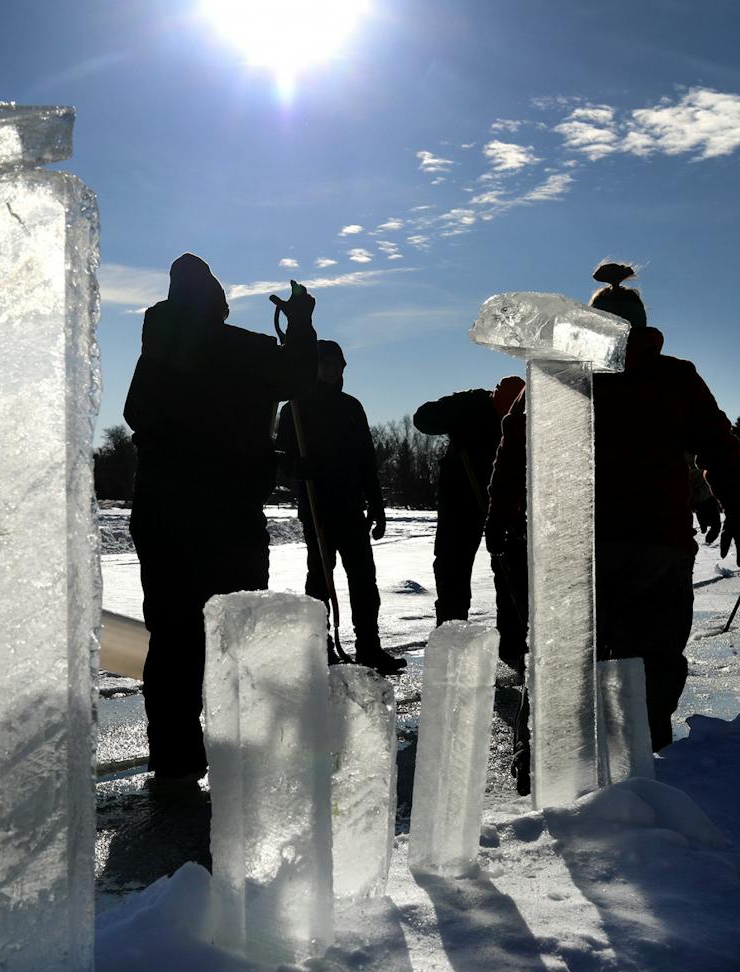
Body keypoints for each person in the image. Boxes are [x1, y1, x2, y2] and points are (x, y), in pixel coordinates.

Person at [488, 262, 740, 763]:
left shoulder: (559, 371)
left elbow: (516, 446)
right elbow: (720, 451)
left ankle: (546, 766)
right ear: (640, 324)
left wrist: (502, 515)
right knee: (652, 661)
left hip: (574, 542)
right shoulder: (675, 377)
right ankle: (641, 762)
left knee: (565, 658)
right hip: (655, 544)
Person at [125, 254, 318, 789]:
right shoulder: (244, 350)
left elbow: (137, 415)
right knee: (236, 631)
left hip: (162, 511)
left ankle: (176, 758)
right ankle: (242, 754)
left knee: (171, 635)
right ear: (218, 302)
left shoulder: (154, 351)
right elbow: (301, 373)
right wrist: (300, 320)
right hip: (226, 515)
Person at [276, 340, 406, 673]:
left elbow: (367, 461)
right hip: (317, 507)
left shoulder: (351, 407)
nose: (332, 369)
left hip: (351, 509)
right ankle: (319, 650)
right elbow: (281, 460)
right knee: (319, 581)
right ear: (315, 366)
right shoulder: (295, 407)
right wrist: (297, 469)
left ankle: (369, 648)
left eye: (337, 364)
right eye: (326, 363)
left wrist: (377, 505)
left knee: (364, 582)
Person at [412, 376, 527, 666]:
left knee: (510, 570)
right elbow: (422, 418)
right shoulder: (469, 404)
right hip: (459, 503)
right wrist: (451, 419)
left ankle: (512, 646)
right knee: (452, 571)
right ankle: (453, 642)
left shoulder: (525, 416)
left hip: (502, 502)